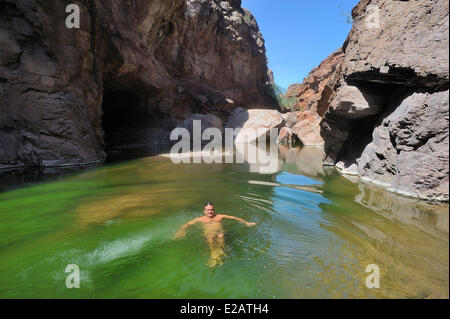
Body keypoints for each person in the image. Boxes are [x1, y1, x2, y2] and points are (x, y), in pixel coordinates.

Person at [173, 202, 256, 267]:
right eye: (208, 210)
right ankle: (213, 252)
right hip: (209, 233)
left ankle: (221, 251)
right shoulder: (201, 219)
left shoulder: (219, 216)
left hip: (219, 231)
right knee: (210, 236)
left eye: (211, 209)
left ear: (214, 209)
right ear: (204, 211)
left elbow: (234, 217)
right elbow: (187, 224)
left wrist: (246, 223)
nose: (210, 211)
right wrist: (181, 231)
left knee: (221, 235)